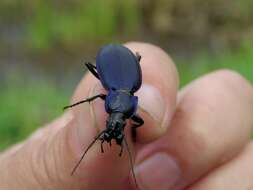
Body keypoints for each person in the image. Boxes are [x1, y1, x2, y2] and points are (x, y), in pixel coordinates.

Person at [1, 42, 253, 190]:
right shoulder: (117, 96)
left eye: (115, 122)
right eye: (117, 122)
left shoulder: (122, 98)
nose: (113, 124)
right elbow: (104, 101)